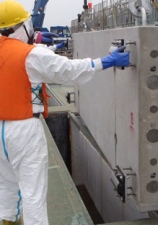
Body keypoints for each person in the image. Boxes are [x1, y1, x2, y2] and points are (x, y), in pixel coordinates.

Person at [0, 0, 130, 225]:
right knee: (33, 193)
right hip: (23, 131)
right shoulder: (30, 56)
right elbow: (68, 70)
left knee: (6, 185)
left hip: (1, 131)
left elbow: (21, 57)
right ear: (22, 26)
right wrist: (106, 61)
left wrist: (42, 44)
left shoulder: (21, 52)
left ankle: (7, 221)